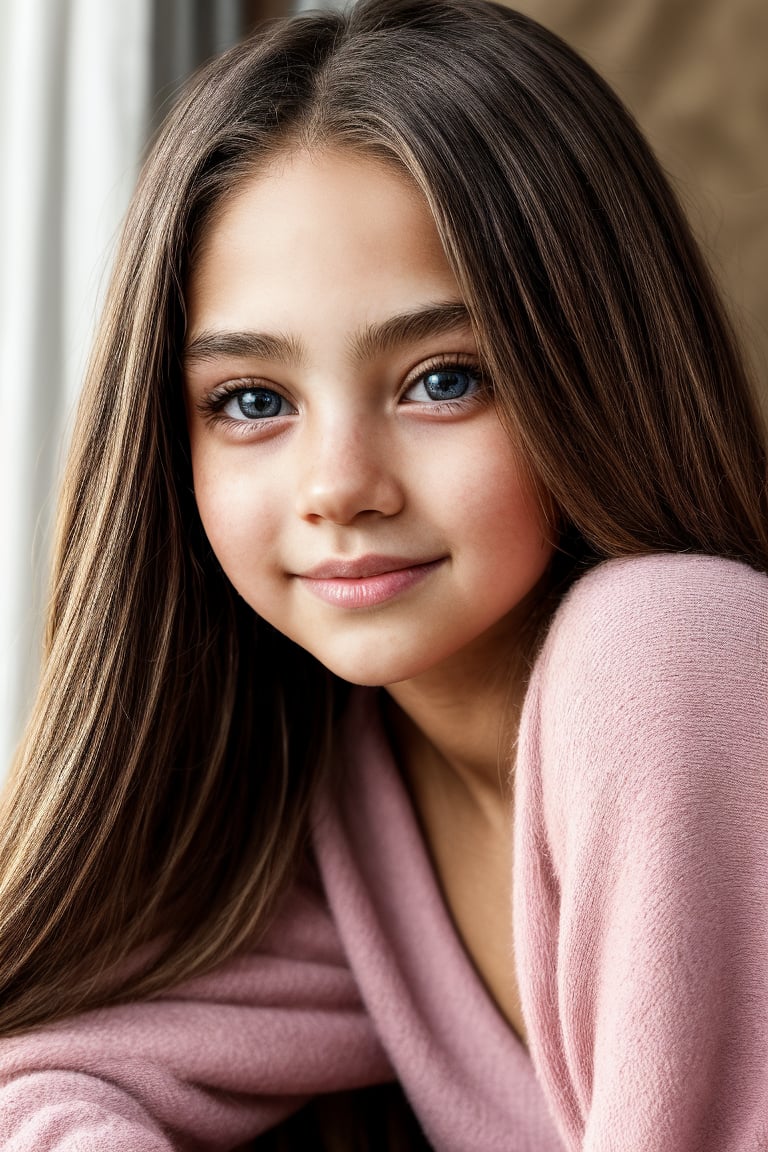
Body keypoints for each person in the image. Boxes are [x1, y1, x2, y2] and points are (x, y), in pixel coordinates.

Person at [1, 0, 767, 1148]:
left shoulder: (671, 654)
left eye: (443, 379)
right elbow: (41, 1075)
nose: (341, 485)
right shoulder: (340, 786)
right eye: (252, 402)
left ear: (593, 365)